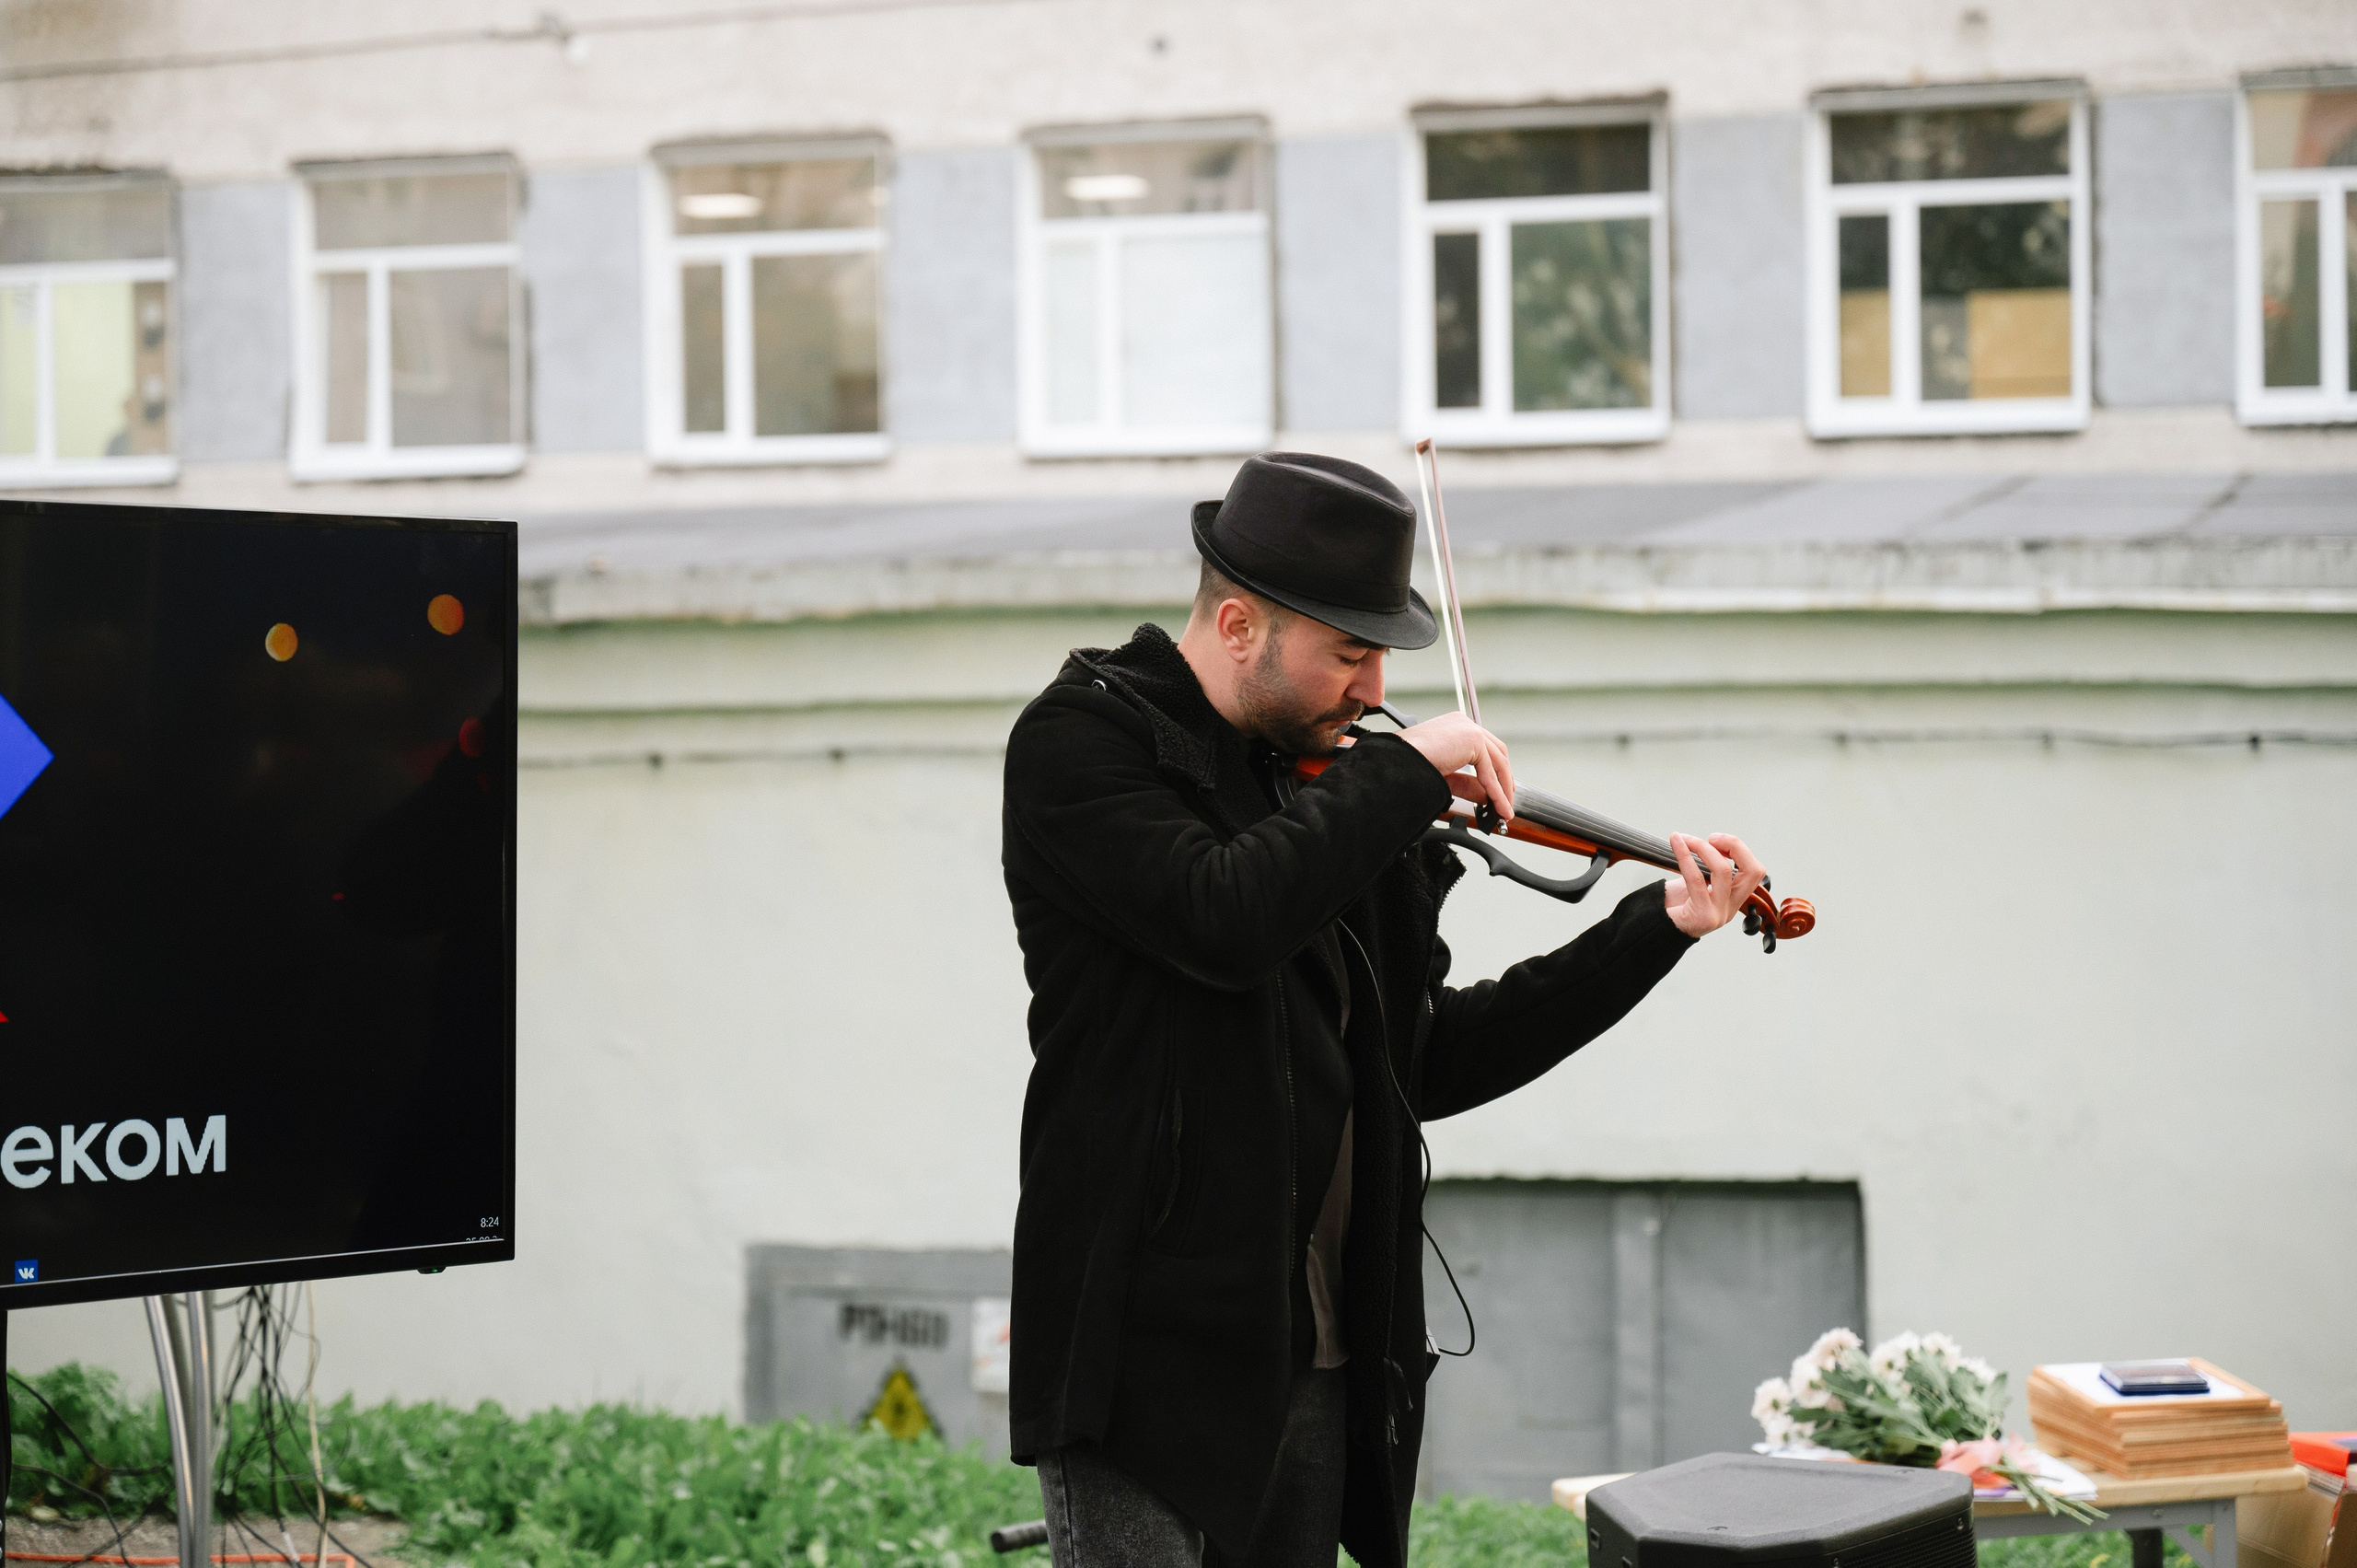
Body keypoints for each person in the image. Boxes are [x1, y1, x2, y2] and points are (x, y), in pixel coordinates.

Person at [999, 452, 1769, 1568]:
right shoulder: (1086, 743)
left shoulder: (1329, 792)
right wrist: (1396, 778)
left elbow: (1430, 1058)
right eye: (1347, 654)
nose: (1370, 691)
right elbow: (1222, 915)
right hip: (1144, 1344)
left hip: (1319, 1347)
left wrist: (1655, 926)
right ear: (1235, 626)